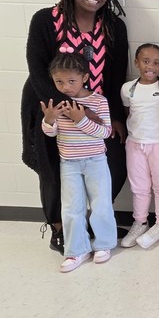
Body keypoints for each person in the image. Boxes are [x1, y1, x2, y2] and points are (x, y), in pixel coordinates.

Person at [21, 0, 128, 255]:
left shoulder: (113, 27)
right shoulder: (46, 20)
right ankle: (59, 228)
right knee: (54, 170)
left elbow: (117, 74)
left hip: (97, 111)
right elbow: (38, 70)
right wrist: (71, 110)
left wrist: (114, 116)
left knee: (114, 163)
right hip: (49, 105)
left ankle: (94, 223)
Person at [41, 53, 116, 272]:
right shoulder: (58, 103)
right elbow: (51, 133)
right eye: (59, 82)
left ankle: (103, 244)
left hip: (96, 161)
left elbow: (105, 132)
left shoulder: (98, 101)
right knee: (72, 208)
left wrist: (80, 119)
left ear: (84, 77)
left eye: (71, 81)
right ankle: (76, 250)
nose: (65, 86)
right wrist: (49, 120)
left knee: (101, 204)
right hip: (69, 163)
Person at [119, 44, 159, 249]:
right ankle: (140, 222)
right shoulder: (127, 88)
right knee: (139, 186)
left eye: (156, 63)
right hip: (135, 144)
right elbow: (129, 115)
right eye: (146, 61)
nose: (151, 66)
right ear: (137, 62)